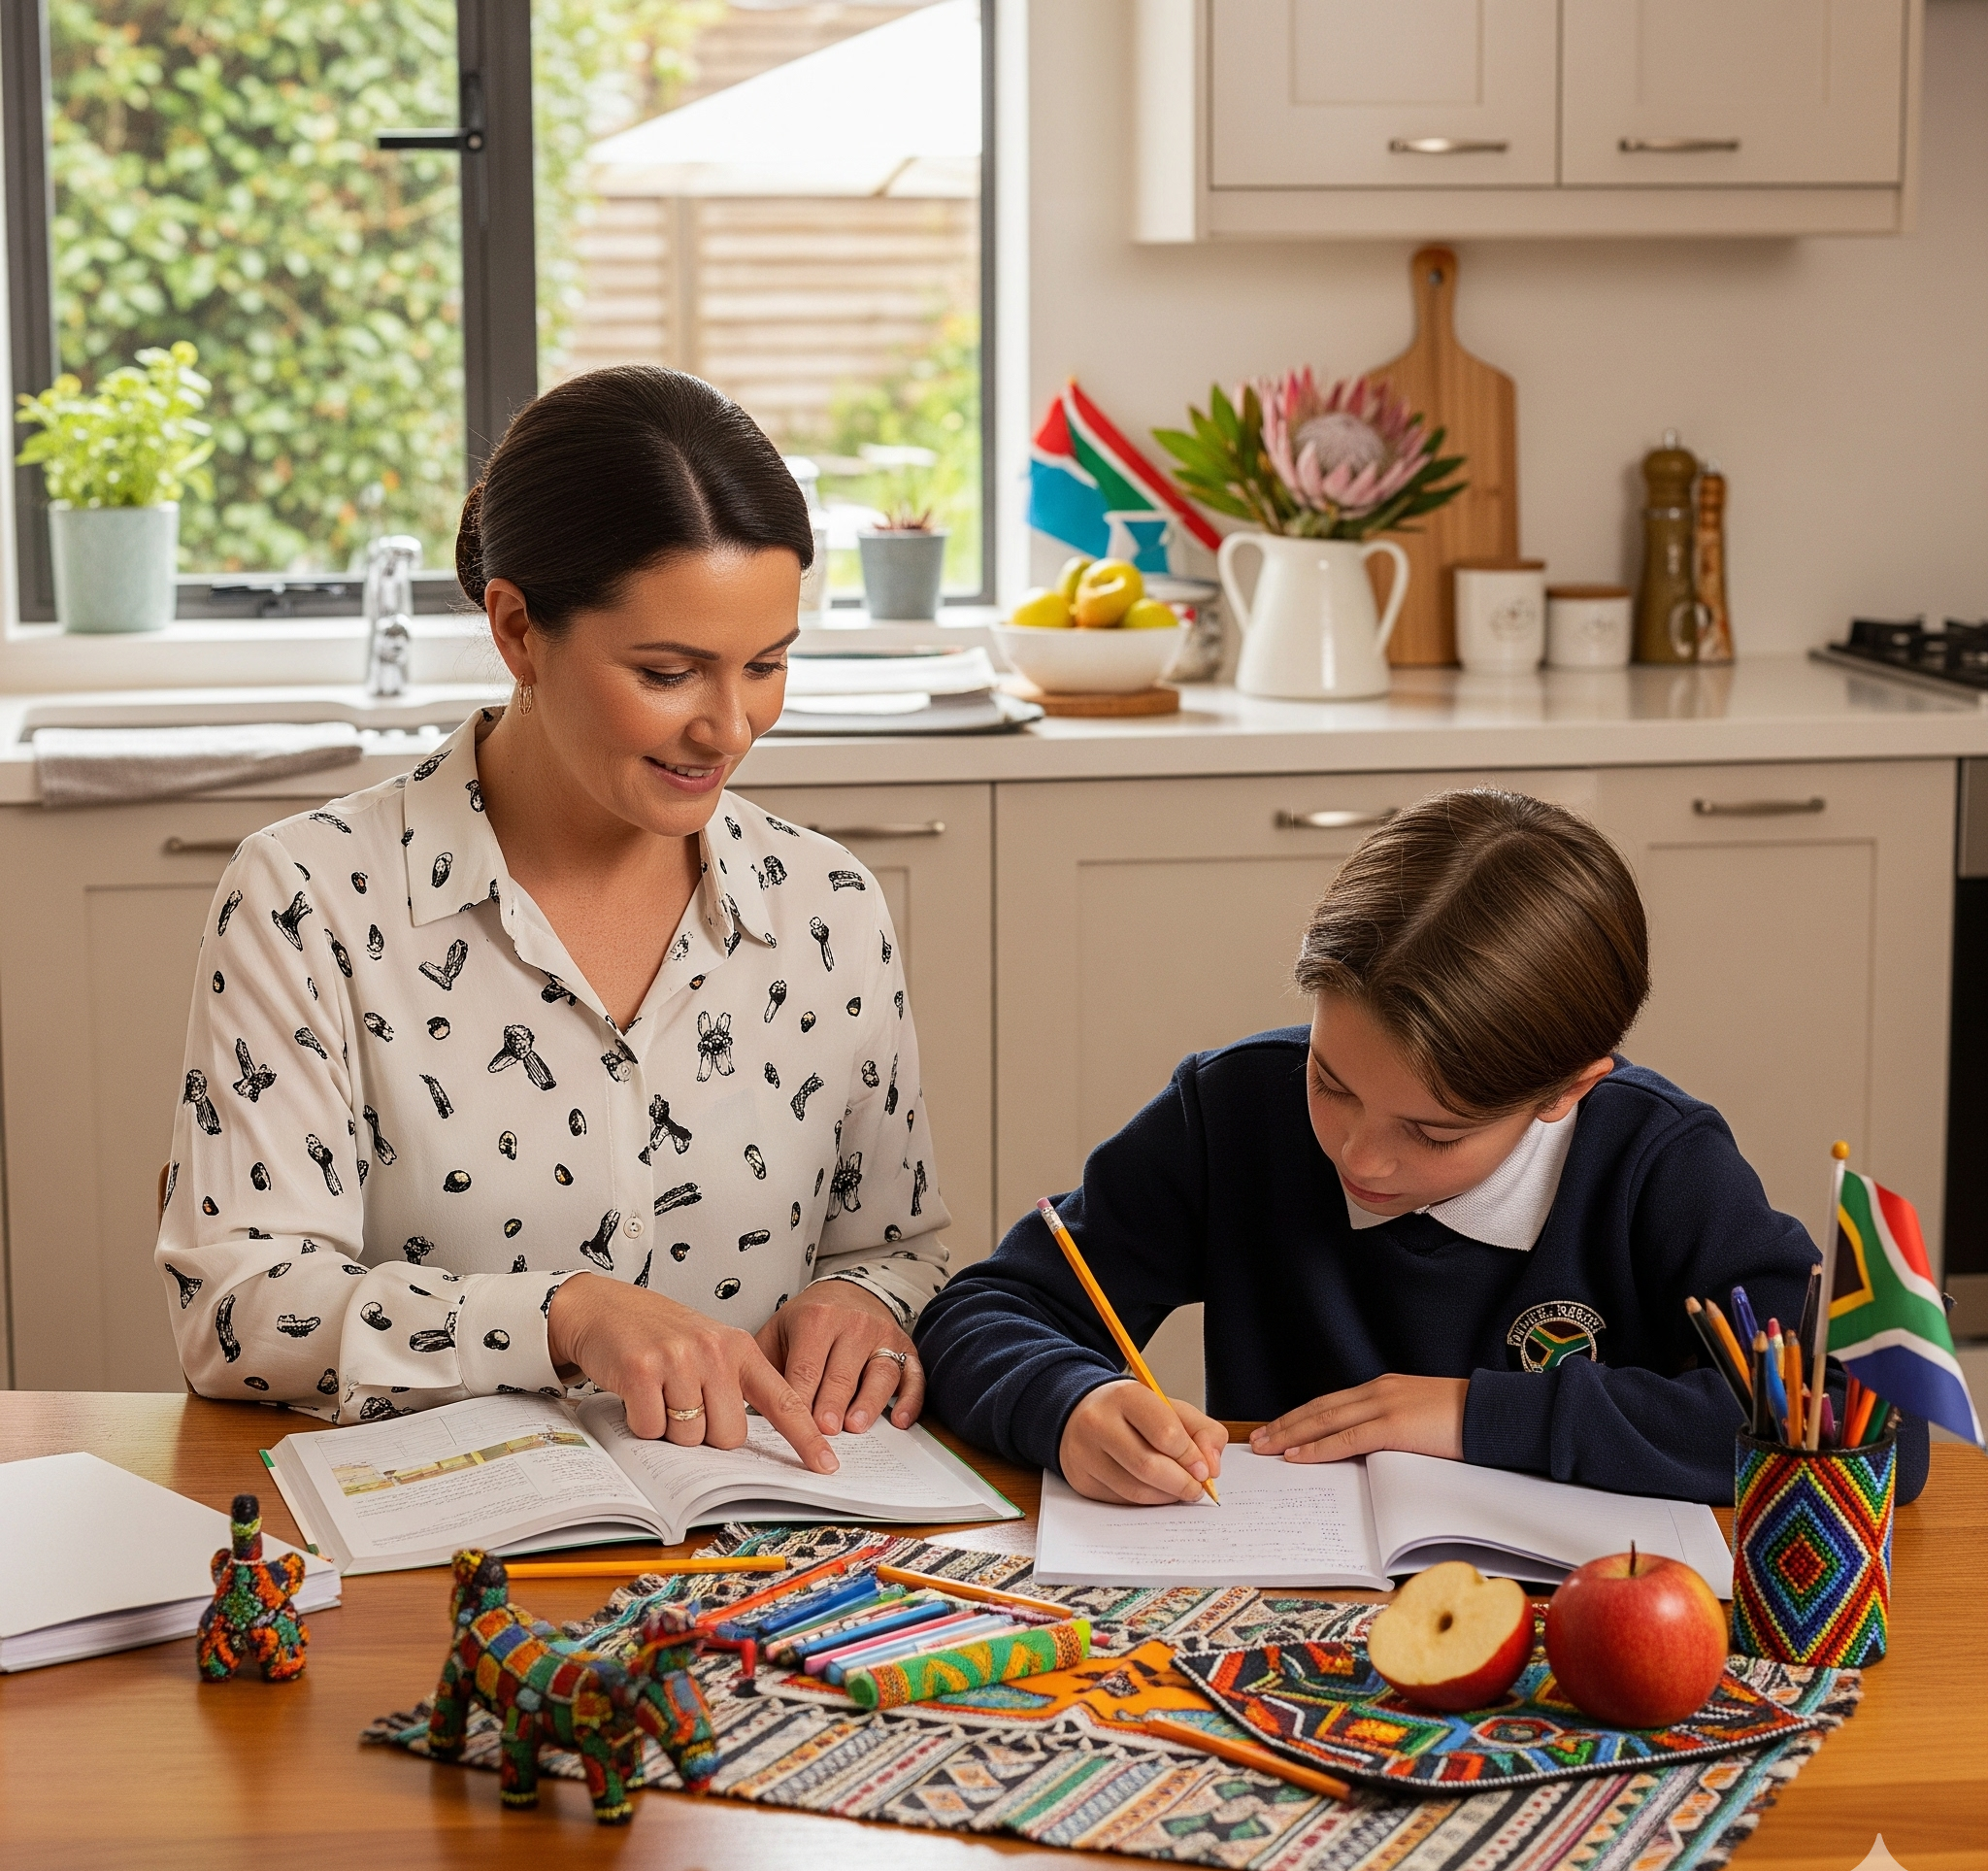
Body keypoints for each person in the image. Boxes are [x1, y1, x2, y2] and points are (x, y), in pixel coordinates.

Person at [159, 367, 948, 1470]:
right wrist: (563, 1316)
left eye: (767, 664)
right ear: (518, 628)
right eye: (670, 671)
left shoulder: (827, 905)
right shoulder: (308, 899)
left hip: (773, 1546)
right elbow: (240, 1311)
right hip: (438, 1550)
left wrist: (866, 1303)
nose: (729, 726)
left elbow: (898, 1246)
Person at [915, 787, 1930, 1510]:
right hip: (1269, 1620)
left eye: (1432, 1130)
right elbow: (980, 1310)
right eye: (1331, 1081)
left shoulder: (1654, 1163)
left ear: (1569, 1087)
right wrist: (1070, 1400)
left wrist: (1474, 1415)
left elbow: (1872, 1420)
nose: (1361, 1156)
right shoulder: (1230, 1111)